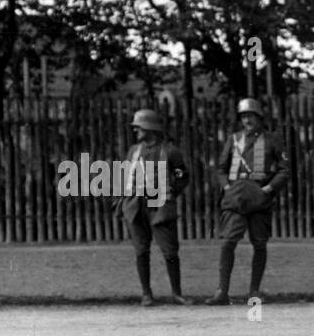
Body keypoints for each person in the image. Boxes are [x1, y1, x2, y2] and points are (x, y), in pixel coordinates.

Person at [205, 98, 289, 305]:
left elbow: (284, 169)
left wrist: (268, 189)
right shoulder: (234, 140)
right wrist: (226, 187)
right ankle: (222, 291)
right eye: (244, 116)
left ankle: (254, 291)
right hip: (236, 195)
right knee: (227, 242)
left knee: (259, 243)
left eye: (251, 115)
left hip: (259, 195)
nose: (247, 120)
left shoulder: (272, 140)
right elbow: (221, 168)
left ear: (260, 117)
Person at [116, 109, 190, 306]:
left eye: (138, 127)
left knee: (170, 251)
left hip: (160, 207)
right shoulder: (134, 151)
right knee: (141, 250)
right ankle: (146, 294)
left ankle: (176, 293)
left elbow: (183, 176)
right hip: (136, 206)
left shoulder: (170, 151)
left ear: (149, 127)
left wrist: (172, 192)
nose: (136, 131)